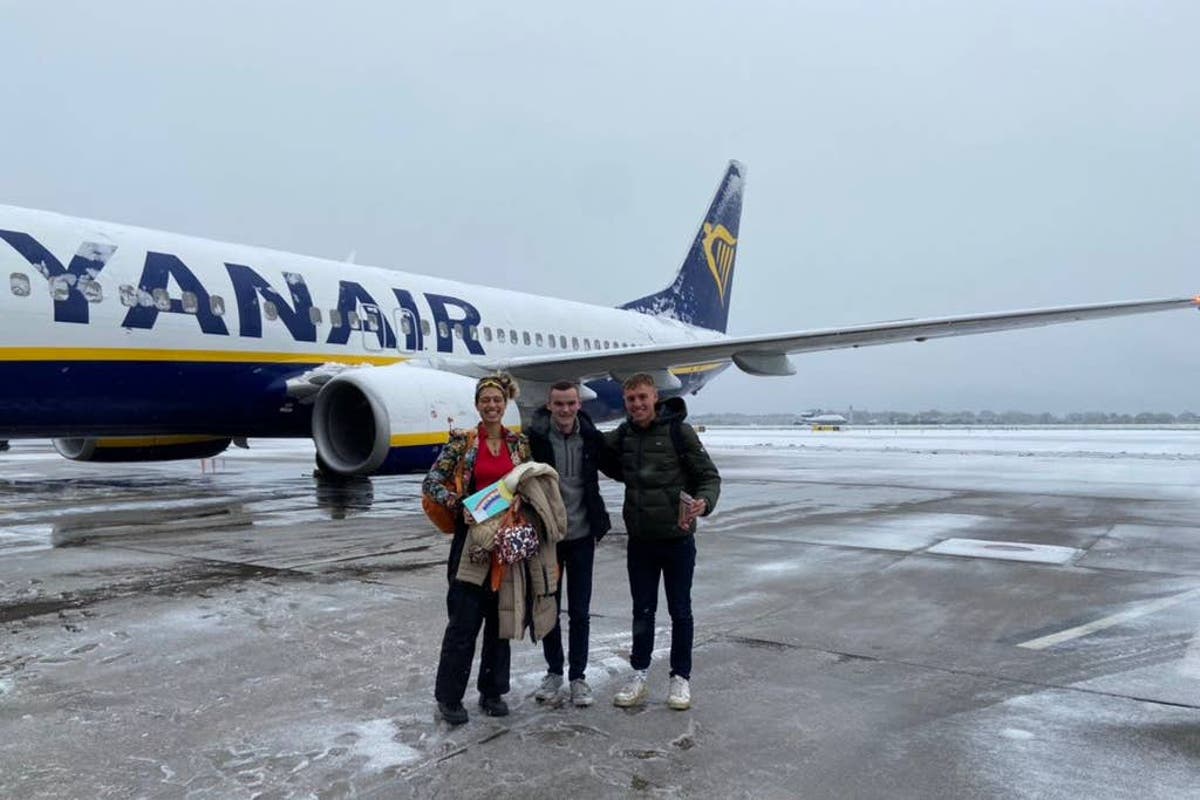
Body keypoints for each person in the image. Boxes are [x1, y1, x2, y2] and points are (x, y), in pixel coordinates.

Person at [605, 373, 720, 711]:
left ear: (655, 397)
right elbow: (602, 456)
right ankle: (638, 673)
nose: (637, 404)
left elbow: (709, 476)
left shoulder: (677, 431)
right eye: (631, 400)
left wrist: (704, 502)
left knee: (680, 610)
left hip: (677, 541)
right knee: (642, 610)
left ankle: (680, 678)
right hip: (640, 542)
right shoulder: (624, 434)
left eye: (642, 397)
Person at [423, 373, 529, 725]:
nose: (492, 406)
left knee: (501, 619)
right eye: (485, 400)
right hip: (470, 541)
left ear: (506, 404)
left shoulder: (519, 445)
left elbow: (526, 486)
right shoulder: (462, 444)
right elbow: (431, 482)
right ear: (477, 405)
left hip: (505, 541)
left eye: (497, 400)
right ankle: (449, 697)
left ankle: (493, 690)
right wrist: (458, 504)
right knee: (463, 622)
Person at [526, 380, 612, 707]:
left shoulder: (591, 439)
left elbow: (621, 466)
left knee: (579, 611)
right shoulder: (534, 440)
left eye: (570, 403)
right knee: (547, 607)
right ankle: (553, 671)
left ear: (579, 405)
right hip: (548, 538)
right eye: (559, 404)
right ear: (549, 405)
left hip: (582, 536)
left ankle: (578, 677)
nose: (564, 410)